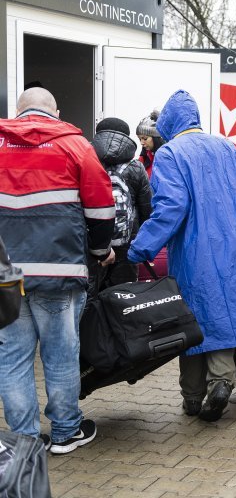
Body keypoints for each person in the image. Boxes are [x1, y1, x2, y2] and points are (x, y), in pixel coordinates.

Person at [128, 90, 236, 422]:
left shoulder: (170, 153)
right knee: (224, 315)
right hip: (235, 248)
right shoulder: (227, 147)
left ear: (169, 123)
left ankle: (192, 396)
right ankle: (221, 382)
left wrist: (139, 248)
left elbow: (171, 209)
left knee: (189, 320)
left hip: (195, 253)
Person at [0, 87, 115, 454]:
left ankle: (25, 441)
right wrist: (100, 252)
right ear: (56, 111)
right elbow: (101, 210)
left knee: (13, 358)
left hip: (6, 275)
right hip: (59, 272)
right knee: (60, 354)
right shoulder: (77, 146)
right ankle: (66, 432)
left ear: (17, 111)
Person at [90, 117, 152, 289]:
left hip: (94, 245)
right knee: (125, 297)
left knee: (93, 299)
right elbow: (147, 209)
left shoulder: (87, 161)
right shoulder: (136, 167)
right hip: (127, 246)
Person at [137, 110, 165, 178]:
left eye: (145, 138)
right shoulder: (143, 158)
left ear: (156, 138)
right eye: (140, 139)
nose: (141, 143)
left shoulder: (167, 158)